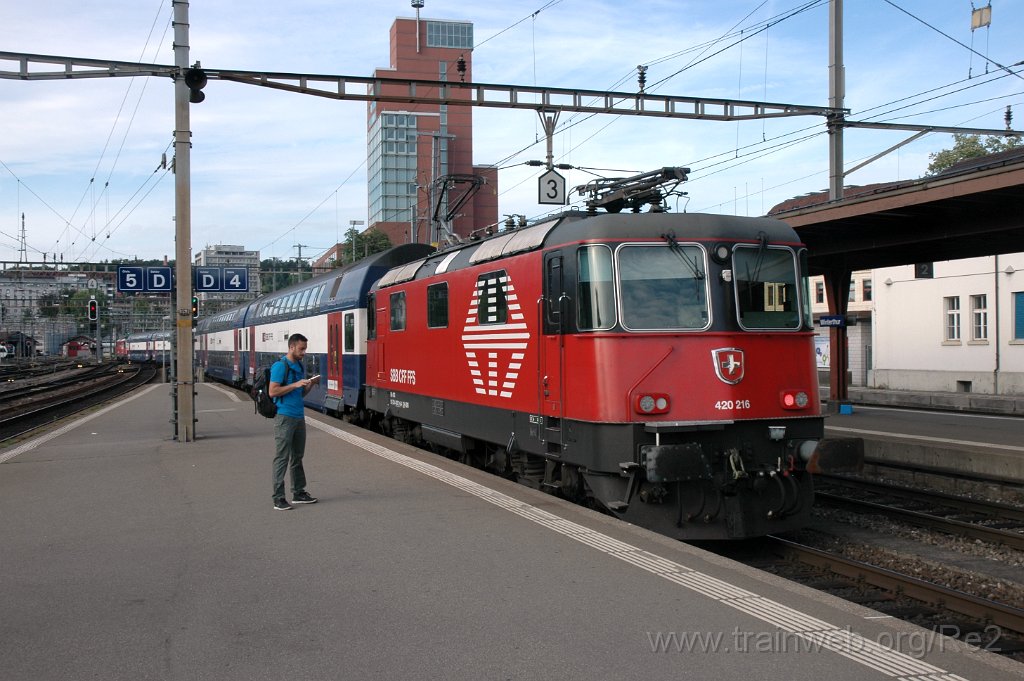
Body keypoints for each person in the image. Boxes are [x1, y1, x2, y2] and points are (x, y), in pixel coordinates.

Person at [268, 333, 320, 511]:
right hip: (284, 417)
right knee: (282, 457)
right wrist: (295, 385)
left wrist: (309, 385)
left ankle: (298, 492)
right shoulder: (280, 366)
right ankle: (278, 497)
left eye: (305, 348)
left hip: (298, 417)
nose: (304, 352)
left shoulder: (298, 365)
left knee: (297, 456)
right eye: (301, 349)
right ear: (291, 347)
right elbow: (273, 392)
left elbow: (299, 394)